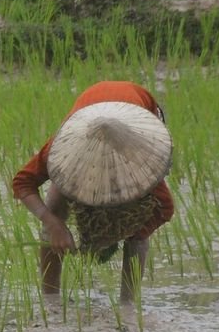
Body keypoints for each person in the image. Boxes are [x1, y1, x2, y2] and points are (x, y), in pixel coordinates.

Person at [12, 81, 175, 303]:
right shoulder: (63, 149)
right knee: (55, 205)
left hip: (137, 121)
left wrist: (123, 233)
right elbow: (22, 182)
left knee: (139, 236)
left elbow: (165, 209)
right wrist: (53, 224)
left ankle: (128, 305)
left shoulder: (141, 161)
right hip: (88, 122)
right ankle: (50, 299)